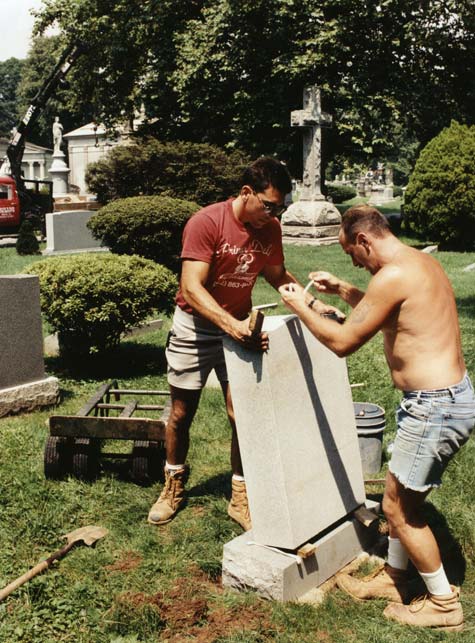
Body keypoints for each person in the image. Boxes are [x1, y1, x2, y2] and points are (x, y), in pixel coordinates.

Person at [279, 205, 475, 632]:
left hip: (433, 405)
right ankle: (395, 576)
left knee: (399, 510)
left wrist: (300, 305)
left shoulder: (391, 277)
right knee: (397, 496)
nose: (353, 262)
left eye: (352, 253)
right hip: (444, 399)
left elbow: (344, 340)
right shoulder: (420, 261)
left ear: (365, 240)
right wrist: (342, 290)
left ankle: (443, 603)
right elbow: (387, 311)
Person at [148, 157, 335, 530]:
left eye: (279, 207)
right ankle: (173, 485)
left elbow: (278, 275)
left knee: (243, 414)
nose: (273, 213)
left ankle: (240, 494)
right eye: (268, 205)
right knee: (182, 414)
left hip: (238, 325)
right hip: (196, 325)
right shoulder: (207, 223)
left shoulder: (270, 230)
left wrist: (313, 304)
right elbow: (191, 287)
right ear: (246, 193)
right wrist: (230, 326)